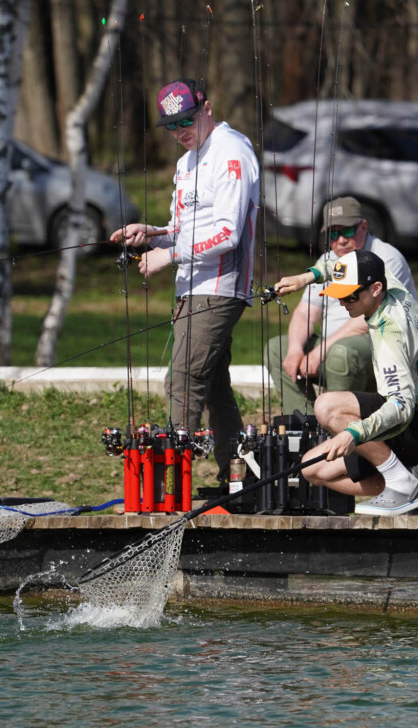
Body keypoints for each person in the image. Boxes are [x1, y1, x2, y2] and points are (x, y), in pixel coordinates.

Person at [111, 78, 259, 483]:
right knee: (213, 385)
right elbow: (183, 229)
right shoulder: (186, 162)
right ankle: (239, 478)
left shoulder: (232, 152)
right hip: (190, 290)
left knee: (183, 380)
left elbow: (227, 234)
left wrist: (169, 255)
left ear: (207, 108)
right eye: (171, 126)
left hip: (219, 288)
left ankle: (170, 489)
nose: (180, 132)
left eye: (187, 121)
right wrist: (153, 234)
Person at [276, 249, 418, 516]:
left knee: (327, 407)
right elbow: (345, 267)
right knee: (312, 469)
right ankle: (413, 491)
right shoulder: (390, 285)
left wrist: (354, 433)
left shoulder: (390, 335)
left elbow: (401, 405)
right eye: (339, 294)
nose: (342, 302)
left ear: (375, 289)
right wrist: (306, 278)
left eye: (350, 296)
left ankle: (403, 484)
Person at [268, 196, 416, 412]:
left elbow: (368, 320)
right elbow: (305, 313)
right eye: (333, 234)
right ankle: (302, 422)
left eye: (347, 231)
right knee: (277, 348)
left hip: (380, 347)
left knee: (341, 354)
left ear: (363, 226)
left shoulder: (386, 258)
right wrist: (295, 351)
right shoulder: (327, 260)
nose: (341, 240)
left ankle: (338, 422)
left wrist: (322, 351)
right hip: (334, 348)